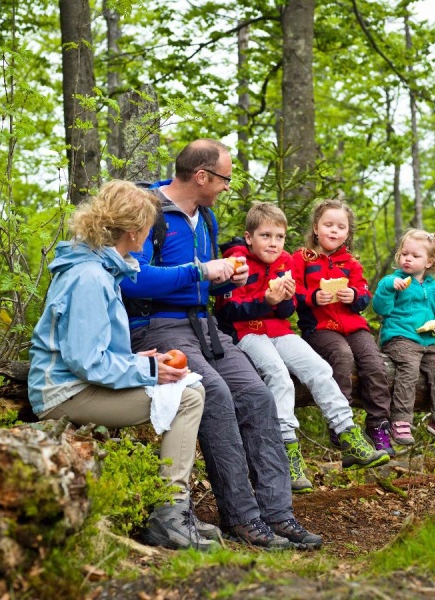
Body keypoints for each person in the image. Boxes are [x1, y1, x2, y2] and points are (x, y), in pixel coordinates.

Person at [121, 139, 323, 550]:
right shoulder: (148, 211)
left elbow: (205, 280)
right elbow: (132, 278)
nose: (228, 186)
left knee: (258, 395)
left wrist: (227, 279)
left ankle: (277, 514)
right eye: (224, 179)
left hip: (206, 326)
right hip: (157, 326)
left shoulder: (206, 218)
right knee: (215, 393)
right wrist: (200, 271)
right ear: (202, 176)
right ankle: (243, 518)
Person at [28, 180, 219, 552]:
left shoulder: (100, 268)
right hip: (63, 392)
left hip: (77, 383)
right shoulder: (89, 277)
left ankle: (175, 512)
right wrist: (148, 372)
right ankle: (169, 516)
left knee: (188, 388)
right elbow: (85, 362)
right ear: (133, 232)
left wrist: (137, 362)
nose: (151, 235)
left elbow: (91, 351)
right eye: (149, 228)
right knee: (188, 397)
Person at [215, 202, 390, 494]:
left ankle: (347, 433)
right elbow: (227, 312)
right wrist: (266, 301)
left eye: (279, 237)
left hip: (278, 331)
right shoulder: (237, 262)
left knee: (320, 368)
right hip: (245, 332)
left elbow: (287, 312)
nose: (273, 243)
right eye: (265, 236)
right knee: (279, 375)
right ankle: (288, 451)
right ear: (249, 237)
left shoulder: (285, 261)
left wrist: (285, 300)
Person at [292, 199, 397, 457]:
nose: (334, 231)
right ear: (316, 228)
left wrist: (354, 295)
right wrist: (313, 297)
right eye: (328, 225)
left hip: (353, 326)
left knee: (374, 362)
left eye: (341, 227)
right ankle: (341, 425)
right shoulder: (302, 258)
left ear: (348, 233)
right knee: (342, 356)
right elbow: (292, 292)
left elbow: (364, 294)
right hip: (320, 328)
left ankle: (378, 425)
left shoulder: (350, 263)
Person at [371, 228, 435, 447]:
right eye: (404, 254)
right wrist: (389, 288)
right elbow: (380, 308)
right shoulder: (392, 281)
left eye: (415, 255)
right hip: (399, 338)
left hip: (427, 342)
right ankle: (400, 420)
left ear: (429, 262)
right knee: (409, 369)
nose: (407, 259)